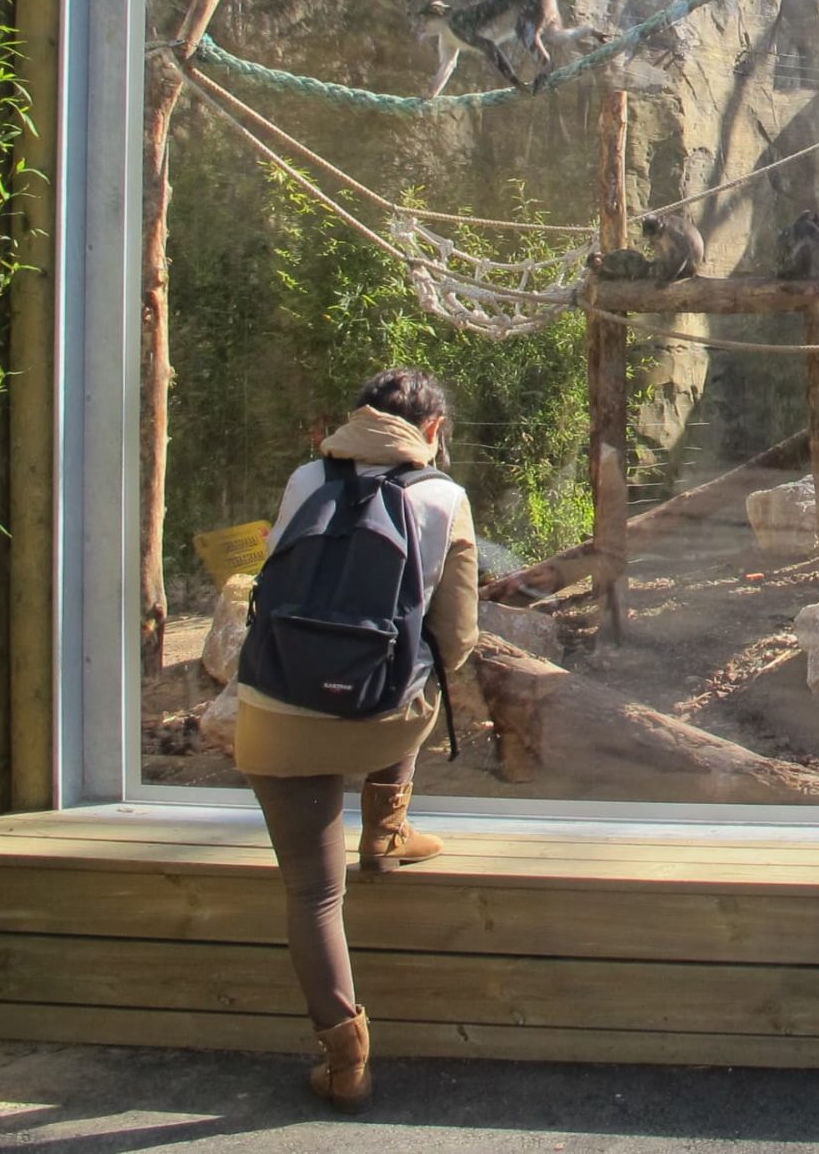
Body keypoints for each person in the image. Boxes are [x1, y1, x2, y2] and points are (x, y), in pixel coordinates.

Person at [236, 368, 478, 1112]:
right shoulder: (444, 498)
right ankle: (387, 827)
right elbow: (457, 639)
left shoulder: (305, 478)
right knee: (420, 670)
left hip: (277, 712)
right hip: (383, 722)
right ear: (433, 430)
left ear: (357, 419)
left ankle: (346, 1061)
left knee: (314, 893)